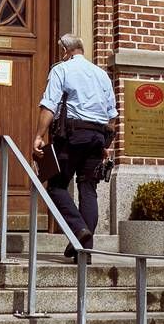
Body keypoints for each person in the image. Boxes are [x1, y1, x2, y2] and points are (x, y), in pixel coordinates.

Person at [32, 33, 119, 260]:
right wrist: (105, 145)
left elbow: (49, 106)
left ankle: (78, 230)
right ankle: (84, 252)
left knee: (56, 186)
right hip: (98, 137)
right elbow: (112, 117)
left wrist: (39, 136)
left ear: (64, 51)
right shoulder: (102, 75)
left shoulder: (61, 69)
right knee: (88, 190)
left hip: (72, 136)